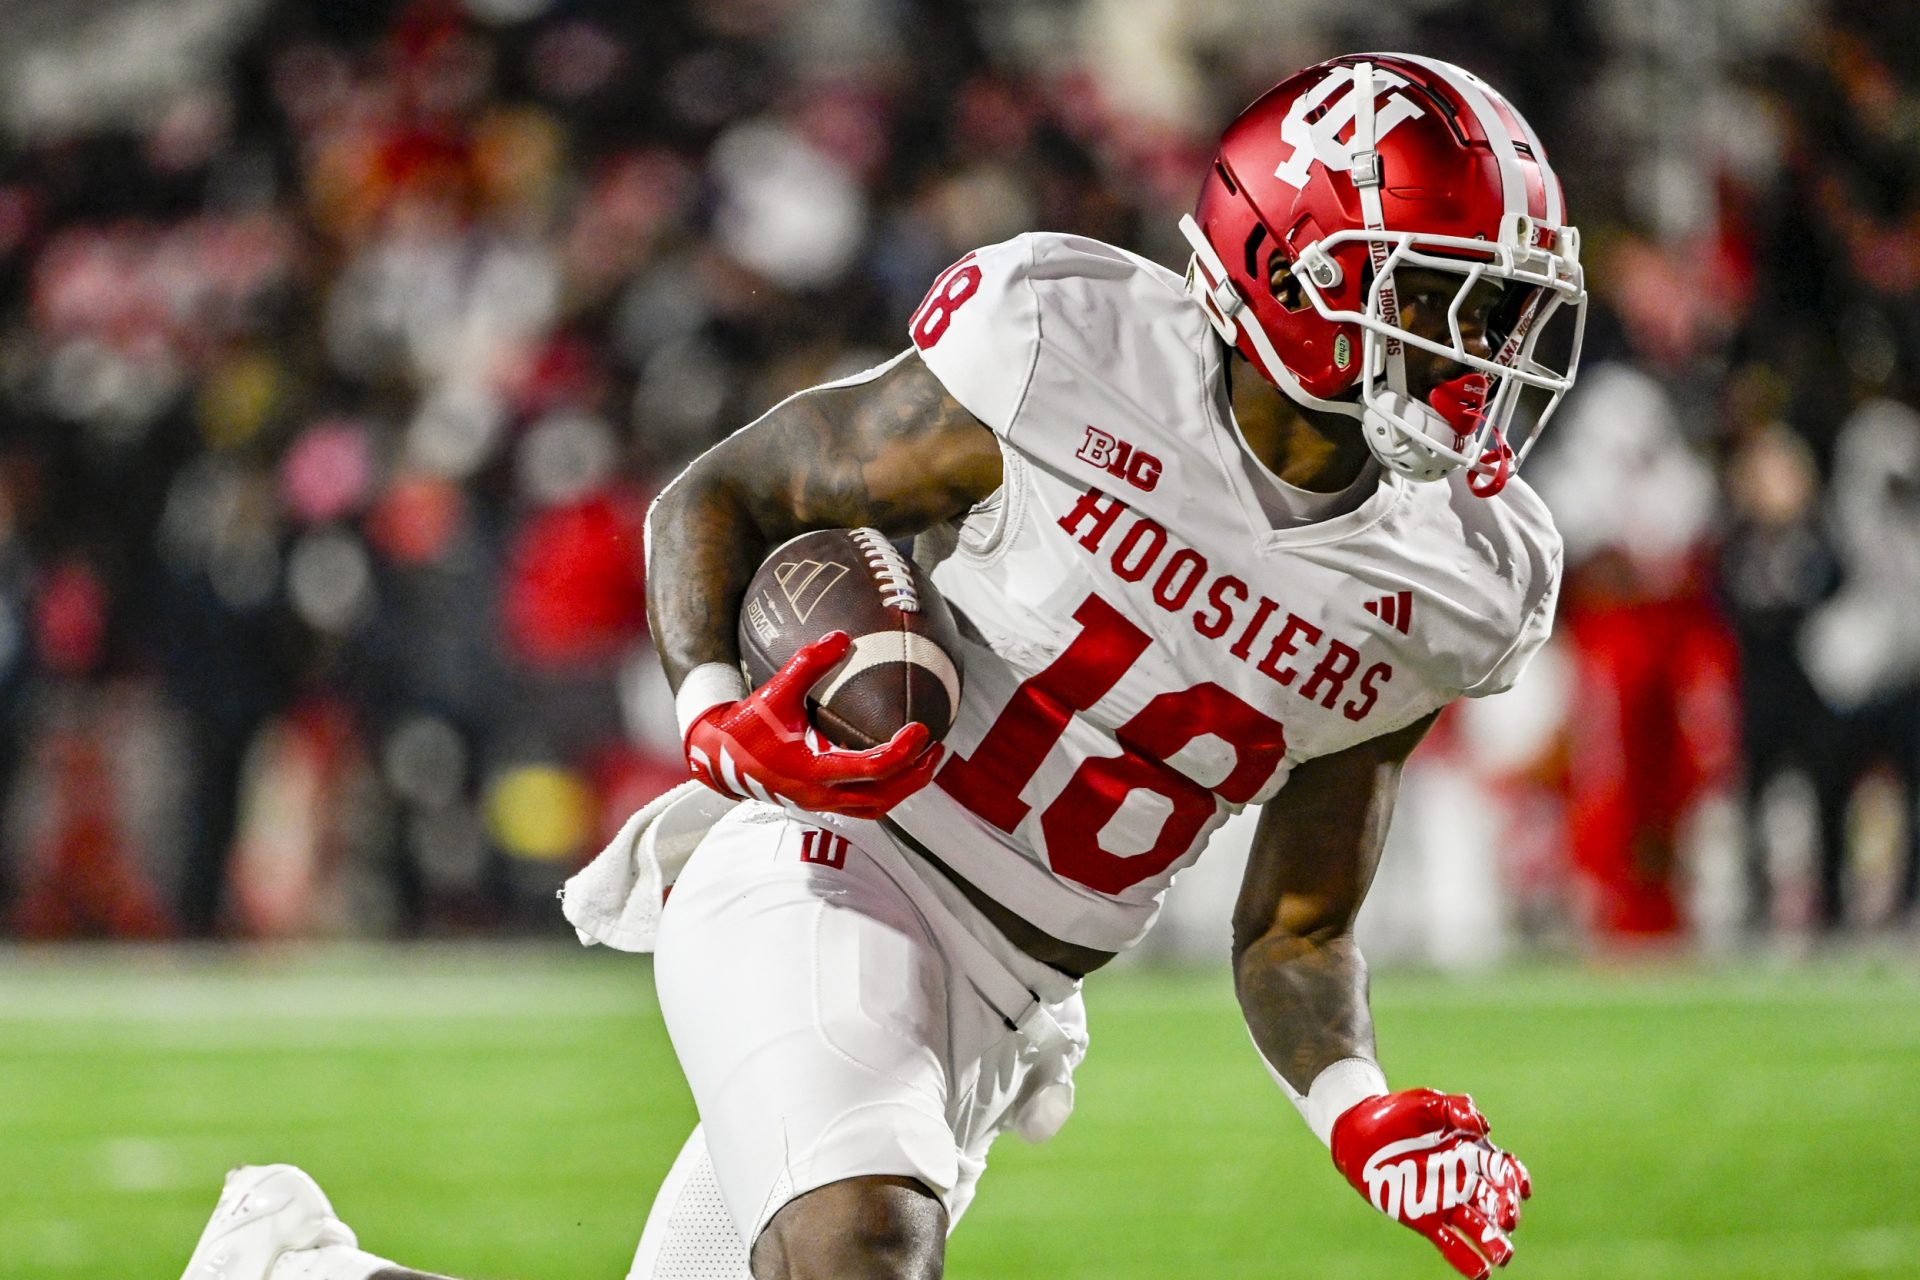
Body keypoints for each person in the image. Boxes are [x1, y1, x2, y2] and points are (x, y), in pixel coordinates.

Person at [182, 53, 1584, 1280]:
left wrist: (1359, 1108)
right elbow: (723, 497)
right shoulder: (1071, 356)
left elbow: (1297, 927)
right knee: (863, 1255)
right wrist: (718, 716)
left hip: (1002, 1001)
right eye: (1448, 301)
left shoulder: (1455, 578)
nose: (1483, 355)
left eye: (1503, 312)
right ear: (1295, 270)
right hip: (836, 862)